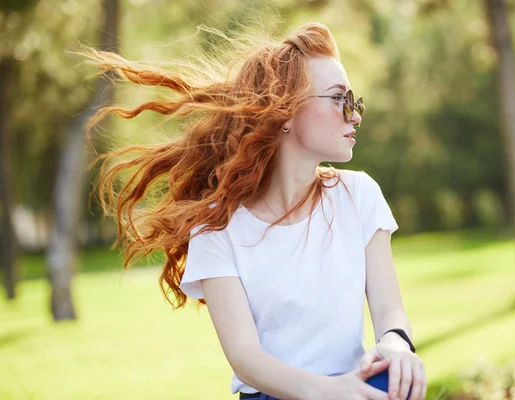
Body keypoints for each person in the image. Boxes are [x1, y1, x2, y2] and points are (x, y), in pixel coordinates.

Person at [89, 22, 427, 400]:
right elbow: (245, 356)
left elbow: (389, 310)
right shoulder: (217, 226)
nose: (355, 115)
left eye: (354, 100)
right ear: (283, 111)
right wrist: (330, 392)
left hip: (354, 387)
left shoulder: (360, 195)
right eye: (337, 99)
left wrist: (396, 346)